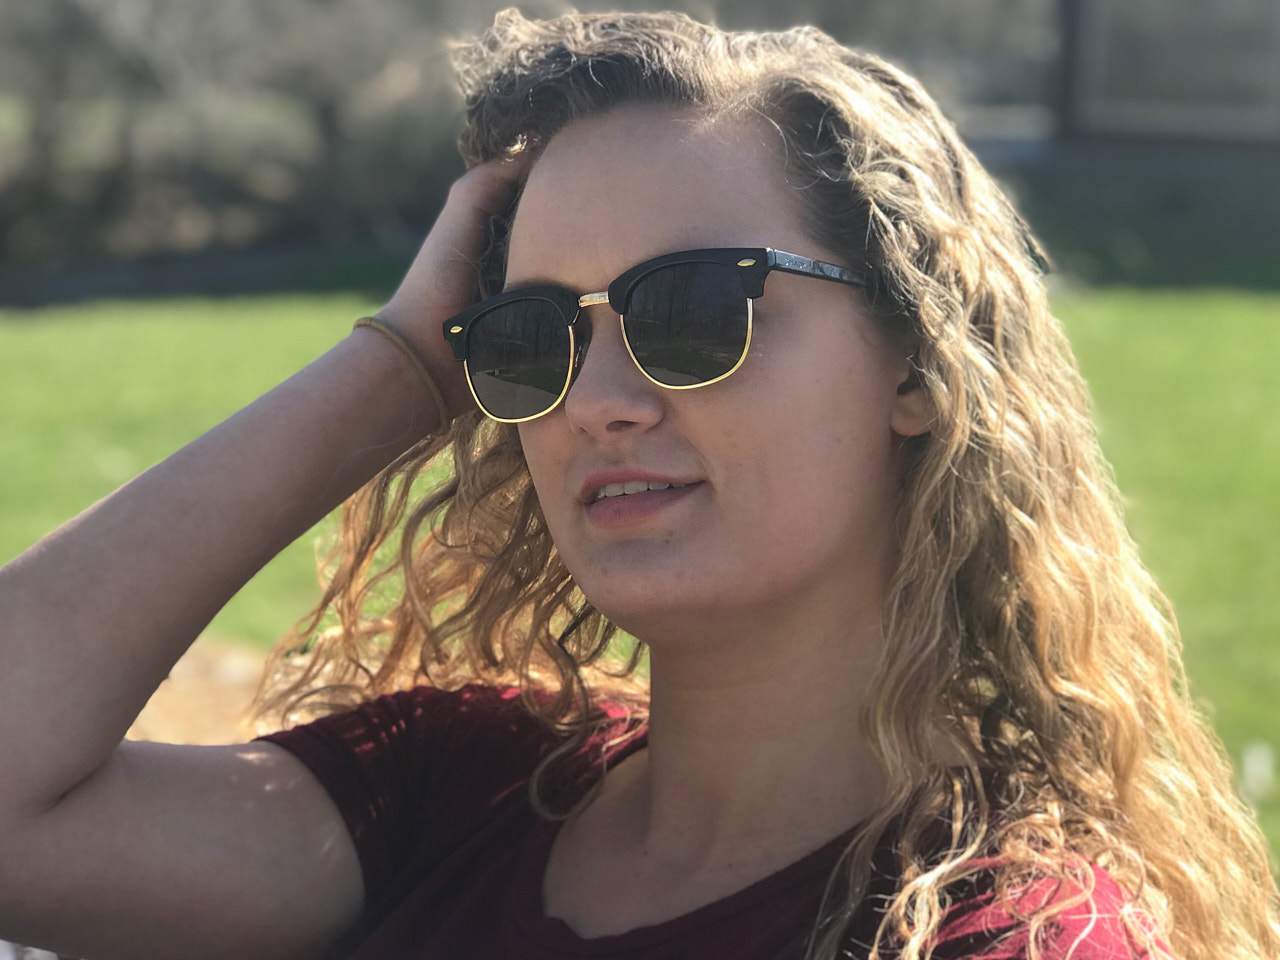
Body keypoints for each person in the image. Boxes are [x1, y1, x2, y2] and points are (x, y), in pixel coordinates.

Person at [0, 7, 1275, 960]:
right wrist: (403, 364)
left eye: (694, 310)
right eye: (533, 337)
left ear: (916, 364)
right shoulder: (462, 789)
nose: (596, 400)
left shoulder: (1002, 935)